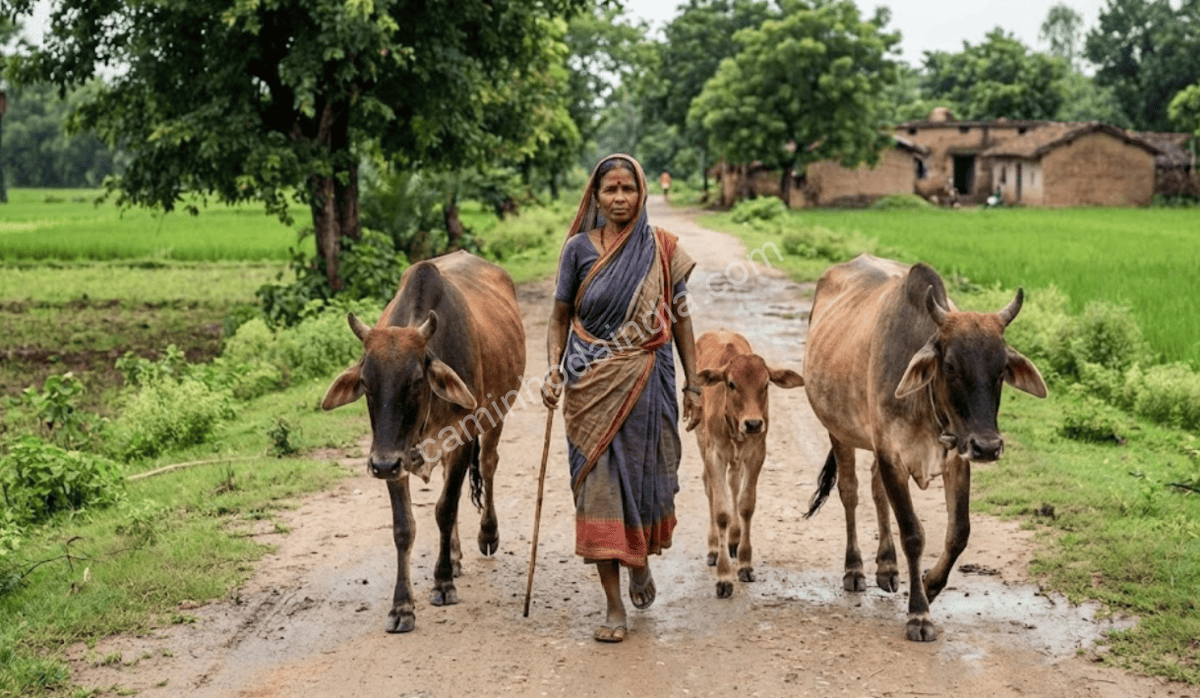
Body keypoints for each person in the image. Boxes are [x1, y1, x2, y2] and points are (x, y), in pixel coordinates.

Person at [541, 154, 701, 644]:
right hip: (588, 386)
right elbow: (559, 319)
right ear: (595, 195)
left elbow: (681, 319)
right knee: (598, 489)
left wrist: (694, 384)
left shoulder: (663, 249)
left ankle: (639, 565)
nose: (619, 199)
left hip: (649, 382)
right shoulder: (577, 251)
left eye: (627, 189)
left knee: (646, 480)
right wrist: (552, 368)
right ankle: (613, 606)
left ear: (642, 193)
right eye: (609, 190)